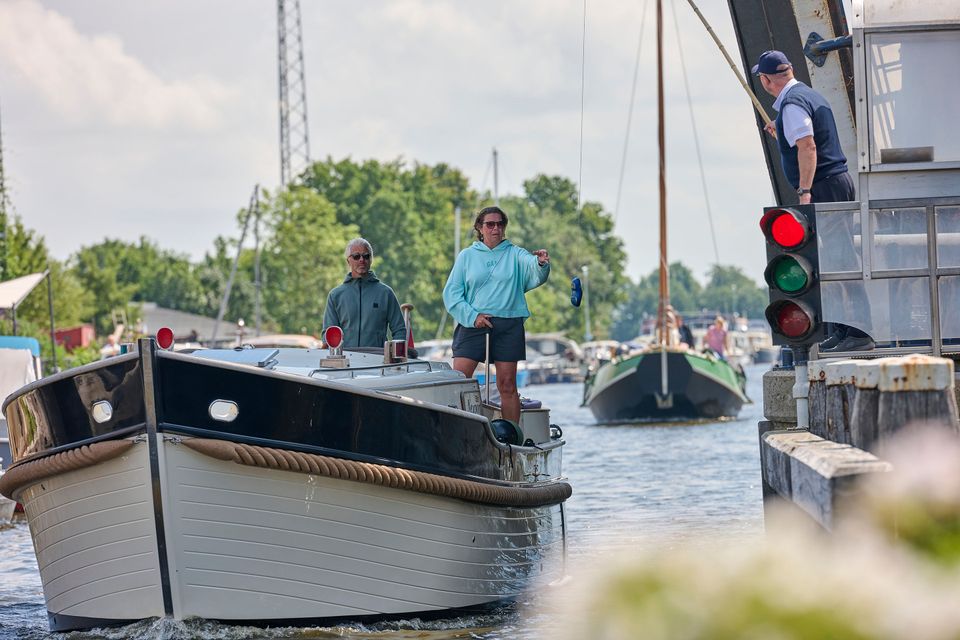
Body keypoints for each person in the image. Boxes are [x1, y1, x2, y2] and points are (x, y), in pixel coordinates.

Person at [754, 50, 873, 353]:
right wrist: (780, 128)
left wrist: (804, 191)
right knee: (834, 260)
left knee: (839, 260)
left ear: (767, 81)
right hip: (835, 182)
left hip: (822, 186)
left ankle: (858, 332)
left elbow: (807, 147)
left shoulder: (792, 106)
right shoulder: (807, 97)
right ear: (790, 69)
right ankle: (843, 330)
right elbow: (804, 136)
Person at [442, 206, 550, 425]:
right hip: (473, 323)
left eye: (500, 224)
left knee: (507, 384)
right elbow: (451, 294)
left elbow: (533, 270)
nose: (495, 228)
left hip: (509, 324)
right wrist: (473, 317)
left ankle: (512, 438)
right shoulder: (467, 256)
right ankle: (456, 429)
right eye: (490, 224)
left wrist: (540, 263)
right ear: (480, 228)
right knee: (458, 381)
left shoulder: (515, 253)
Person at [323, 238, 406, 349]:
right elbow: (328, 334)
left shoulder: (386, 293)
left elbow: (399, 330)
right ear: (348, 261)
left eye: (366, 256)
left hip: (378, 360)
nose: (361, 260)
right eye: (356, 256)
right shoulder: (335, 296)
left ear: (371, 260)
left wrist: (396, 356)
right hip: (345, 361)